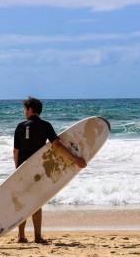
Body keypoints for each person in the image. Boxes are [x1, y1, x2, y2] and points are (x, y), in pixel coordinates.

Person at [13, 97, 87, 244]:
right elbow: (57, 145)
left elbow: (16, 151)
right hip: (38, 169)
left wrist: (17, 169)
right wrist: (75, 158)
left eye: (25, 109)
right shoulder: (45, 125)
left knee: (23, 201)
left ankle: (21, 236)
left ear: (30, 110)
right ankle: (37, 237)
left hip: (22, 169)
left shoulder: (20, 126)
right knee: (36, 202)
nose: (24, 112)